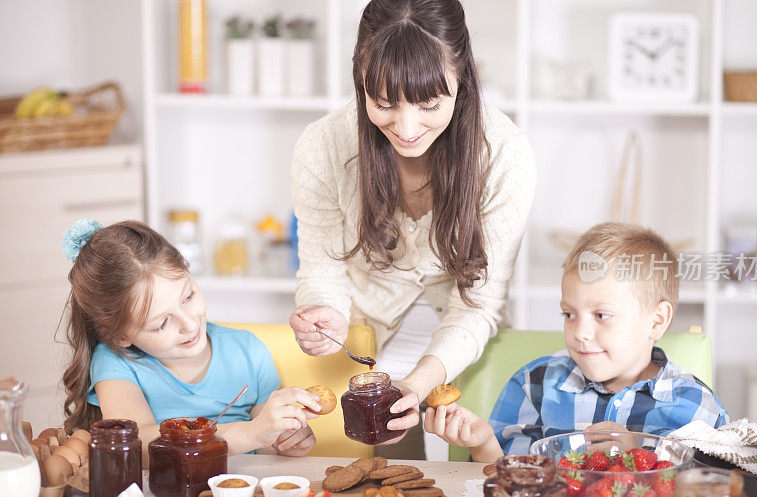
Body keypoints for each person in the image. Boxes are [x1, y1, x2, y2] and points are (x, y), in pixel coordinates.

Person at [288, 0, 536, 458]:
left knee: (467, 473)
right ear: (359, 80)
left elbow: (477, 306)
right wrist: (325, 313)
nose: (405, 128)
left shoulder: (503, 155)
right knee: (376, 479)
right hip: (367, 335)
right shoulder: (323, 146)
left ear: (464, 77)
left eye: (428, 104)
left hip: (464, 341)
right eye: (383, 103)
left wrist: (417, 384)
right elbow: (321, 270)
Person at [424, 222, 729, 462]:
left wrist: (637, 451)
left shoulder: (694, 408)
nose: (580, 332)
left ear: (656, 321)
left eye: (601, 315)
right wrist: (483, 443)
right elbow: (508, 482)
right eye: (569, 314)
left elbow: (705, 496)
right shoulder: (535, 385)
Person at [60, 219, 320, 462]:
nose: (189, 323)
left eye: (188, 297)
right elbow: (136, 444)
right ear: (120, 335)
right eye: (161, 323)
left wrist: (284, 438)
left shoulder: (248, 351)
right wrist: (250, 434)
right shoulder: (116, 362)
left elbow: (265, 441)